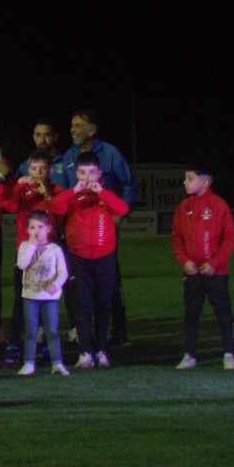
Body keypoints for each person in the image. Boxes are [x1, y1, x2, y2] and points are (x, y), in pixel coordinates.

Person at [54, 110, 138, 344]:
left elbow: (130, 183)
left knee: (111, 282)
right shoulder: (67, 156)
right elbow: (61, 194)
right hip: (76, 235)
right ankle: (79, 331)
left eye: (78, 125)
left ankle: (119, 331)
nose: (73, 129)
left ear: (92, 130)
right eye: (72, 125)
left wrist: (121, 215)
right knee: (76, 284)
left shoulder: (110, 153)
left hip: (103, 232)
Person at [50, 154, 130, 369]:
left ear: (99, 173)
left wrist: (101, 192)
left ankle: (102, 350)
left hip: (105, 257)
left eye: (92, 172)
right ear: (76, 174)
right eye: (83, 172)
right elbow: (54, 208)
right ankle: (85, 352)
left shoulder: (105, 194)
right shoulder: (72, 196)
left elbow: (123, 209)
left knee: (103, 304)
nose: (87, 177)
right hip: (79, 258)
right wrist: (74, 191)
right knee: (82, 306)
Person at [172, 168, 234, 371]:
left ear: (205, 182)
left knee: (223, 313)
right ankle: (189, 354)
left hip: (216, 272)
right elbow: (177, 239)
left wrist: (215, 263)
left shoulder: (219, 205)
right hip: (192, 273)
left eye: (190, 179)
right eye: (185, 178)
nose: (185, 182)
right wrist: (184, 261)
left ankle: (229, 353)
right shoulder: (183, 207)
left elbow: (230, 238)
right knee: (191, 314)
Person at [15, 211, 70, 376]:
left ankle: (57, 363)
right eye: (32, 227)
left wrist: (55, 284)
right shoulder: (25, 246)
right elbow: (22, 264)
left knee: (52, 331)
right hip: (30, 297)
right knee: (31, 331)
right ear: (27, 230)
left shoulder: (55, 249)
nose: (36, 231)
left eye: (40, 227)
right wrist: (32, 246)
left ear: (48, 229)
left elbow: (63, 272)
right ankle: (29, 363)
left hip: (49, 298)